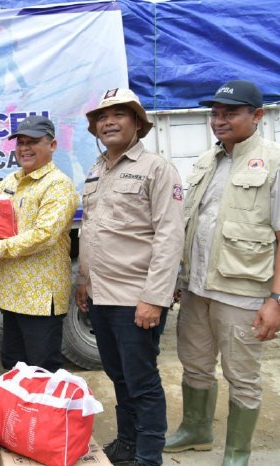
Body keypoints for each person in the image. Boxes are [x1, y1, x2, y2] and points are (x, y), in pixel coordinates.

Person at [164, 80, 280, 466]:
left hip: (242, 291)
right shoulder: (205, 161)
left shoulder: (274, 162)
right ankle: (197, 430)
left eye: (230, 113)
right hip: (198, 288)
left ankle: (237, 452)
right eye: (215, 113)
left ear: (257, 116)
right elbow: (192, 226)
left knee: (242, 375)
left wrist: (275, 299)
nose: (219, 120)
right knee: (195, 363)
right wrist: (180, 279)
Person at [75, 88, 184, 466]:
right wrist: (83, 281)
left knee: (142, 381)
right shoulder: (96, 170)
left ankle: (149, 455)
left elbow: (170, 236)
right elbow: (91, 230)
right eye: (102, 117)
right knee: (118, 376)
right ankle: (127, 443)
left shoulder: (157, 168)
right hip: (102, 296)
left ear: (137, 123)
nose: (109, 121)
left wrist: (155, 298)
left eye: (119, 114)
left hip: (136, 297)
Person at [0, 115, 78, 372]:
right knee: (13, 366)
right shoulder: (14, 180)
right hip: (12, 294)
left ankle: (44, 413)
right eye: (21, 142)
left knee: (41, 371)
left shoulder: (58, 185)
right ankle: (20, 413)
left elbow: (43, 235)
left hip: (39, 298)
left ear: (52, 145)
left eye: (33, 142)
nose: (24, 148)